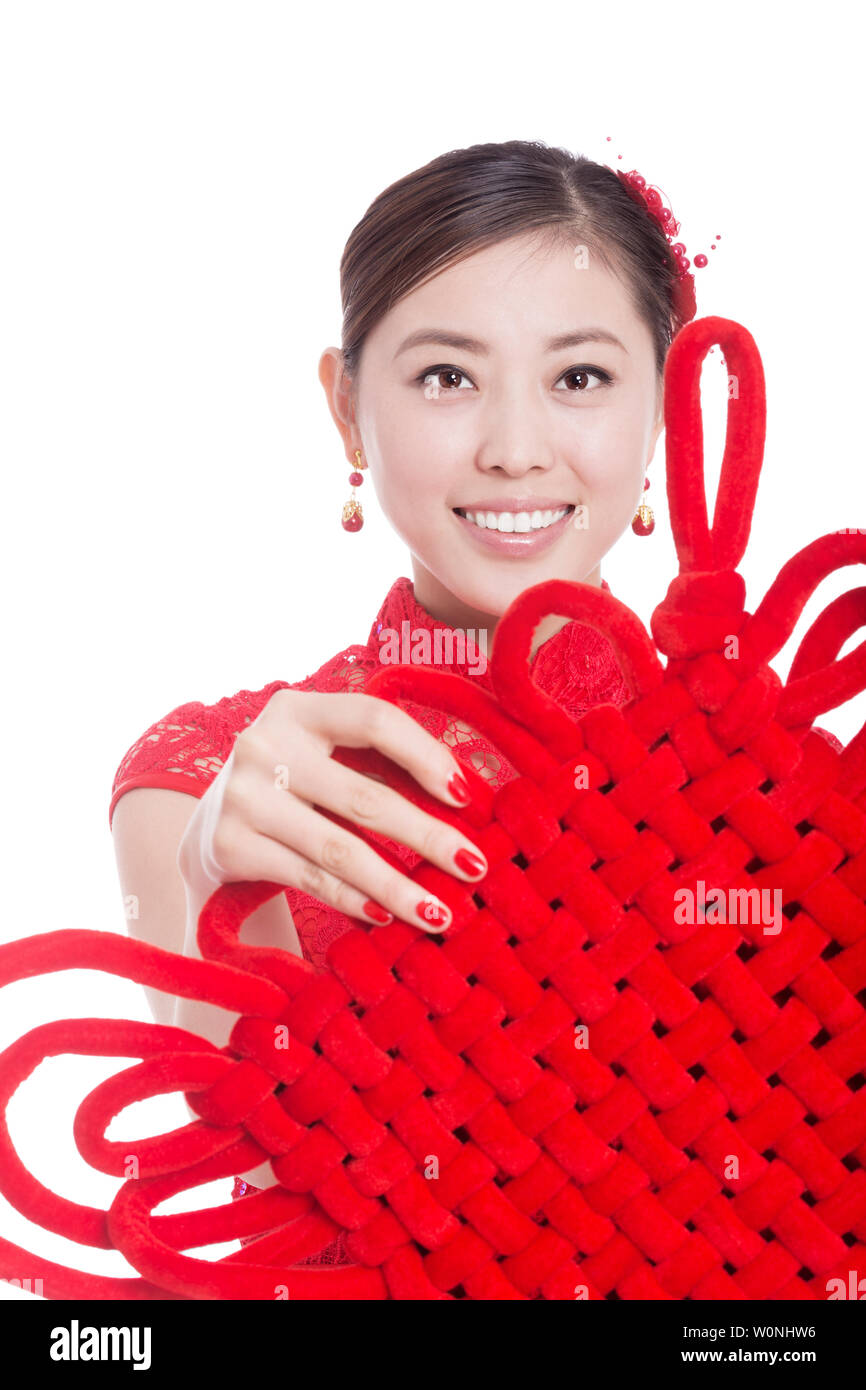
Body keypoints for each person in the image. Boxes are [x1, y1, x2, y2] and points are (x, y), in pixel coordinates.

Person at [108, 139, 704, 1266]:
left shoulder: (781, 791)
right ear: (345, 410)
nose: (515, 451)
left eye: (578, 377)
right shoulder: (206, 779)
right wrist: (208, 876)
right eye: (445, 377)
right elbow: (277, 1228)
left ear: (664, 404)